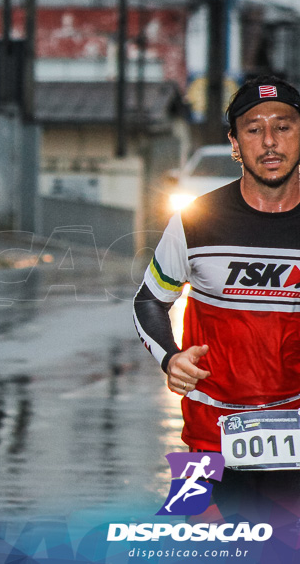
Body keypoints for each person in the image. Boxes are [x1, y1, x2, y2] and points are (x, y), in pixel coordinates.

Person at [133, 74, 300, 520]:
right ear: (234, 142)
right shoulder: (195, 221)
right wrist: (170, 358)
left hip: (297, 438)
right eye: (253, 128)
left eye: (283, 126)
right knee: (203, 548)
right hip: (207, 435)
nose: (269, 141)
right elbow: (149, 300)